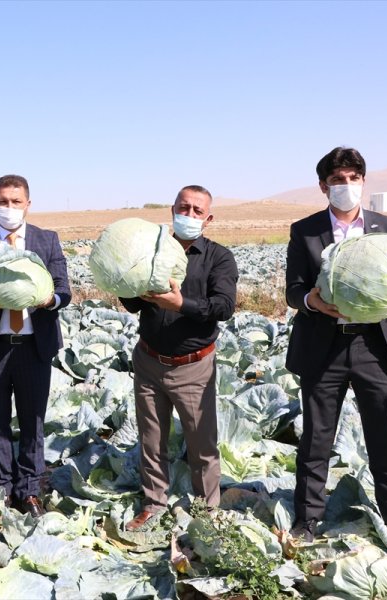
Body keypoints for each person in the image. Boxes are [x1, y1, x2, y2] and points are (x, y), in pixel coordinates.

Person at [286, 147, 387, 569]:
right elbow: (293, 289)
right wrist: (312, 300)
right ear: (323, 185)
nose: (346, 185)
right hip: (323, 346)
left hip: (374, 347)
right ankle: (307, 520)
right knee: (316, 440)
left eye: (353, 177)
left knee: (386, 440)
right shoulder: (305, 230)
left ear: (364, 181)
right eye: (337, 179)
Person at [119, 185, 237, 531]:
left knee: (201, 443)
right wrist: (127, 286)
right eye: (183, 207)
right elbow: (134, 304)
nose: (188, 215)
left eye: (197, 211)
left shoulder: (219, 257)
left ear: (208, 218)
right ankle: (154, 503)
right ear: (171, 209)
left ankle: (206, 511)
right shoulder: (153, 252)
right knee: (151, 439)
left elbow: (224, 306)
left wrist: (181, 304)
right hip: (149, 359)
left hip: (193, 365)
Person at [0, 174, 71, 517]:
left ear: (28, 205)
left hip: (34, 345)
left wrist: (49, 299)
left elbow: (65, 290)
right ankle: (4, 487)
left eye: (16, 202)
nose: (9, 208)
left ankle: (30, 489)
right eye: (3, 202)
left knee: (34, 420)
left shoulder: (46, 240)